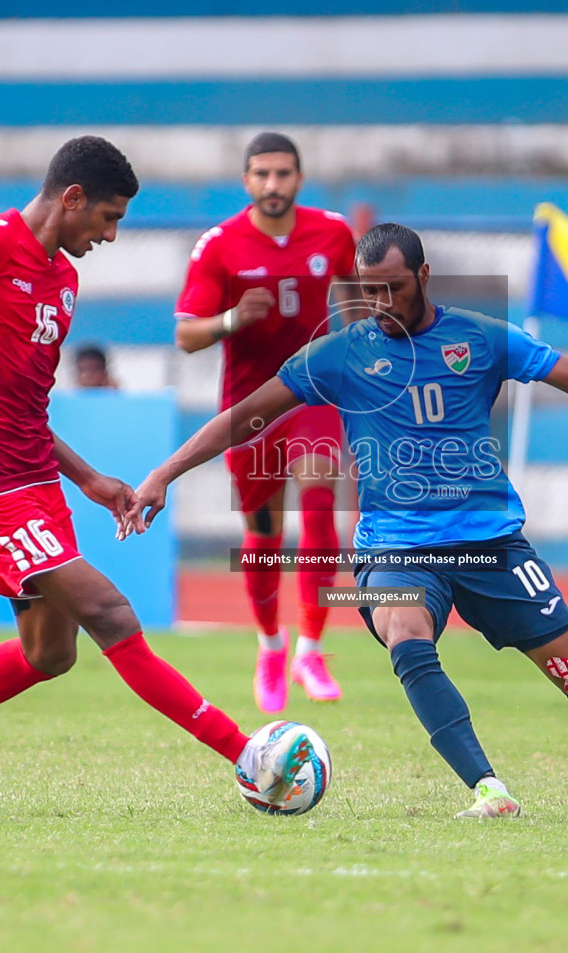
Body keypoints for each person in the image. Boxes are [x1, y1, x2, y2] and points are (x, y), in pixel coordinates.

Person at [126, 223, 568, 819]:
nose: (379, 302)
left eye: (392, 287)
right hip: (395, 547)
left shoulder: (481, 338)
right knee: (405, 629)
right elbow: (245, 416)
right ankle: (488, 788)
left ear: (423, 276)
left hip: (490, 541)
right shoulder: (340, 354)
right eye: (368, 289)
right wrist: (164, 474)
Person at [0, 135, 310, 814]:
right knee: (109, 612)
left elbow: (24, 406)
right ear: (72, 198)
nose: (110, 235)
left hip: (37, 485)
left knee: (51, 654)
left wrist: (87, 480)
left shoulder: (63, 282)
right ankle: (248, 757)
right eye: (107, 218)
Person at [173, 132, 358, 713]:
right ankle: (271, 648)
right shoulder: (220, 245)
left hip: (313, 394)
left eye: (283, 174)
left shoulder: (333, 231)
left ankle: (311, 647)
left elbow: (355, 299)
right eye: (262, 175)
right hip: (249, 407)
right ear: (246, 181)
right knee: (263, 537)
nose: (273, 185)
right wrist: (230, 319)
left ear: (299, 178)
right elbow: (185, 335)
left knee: (321, 498)